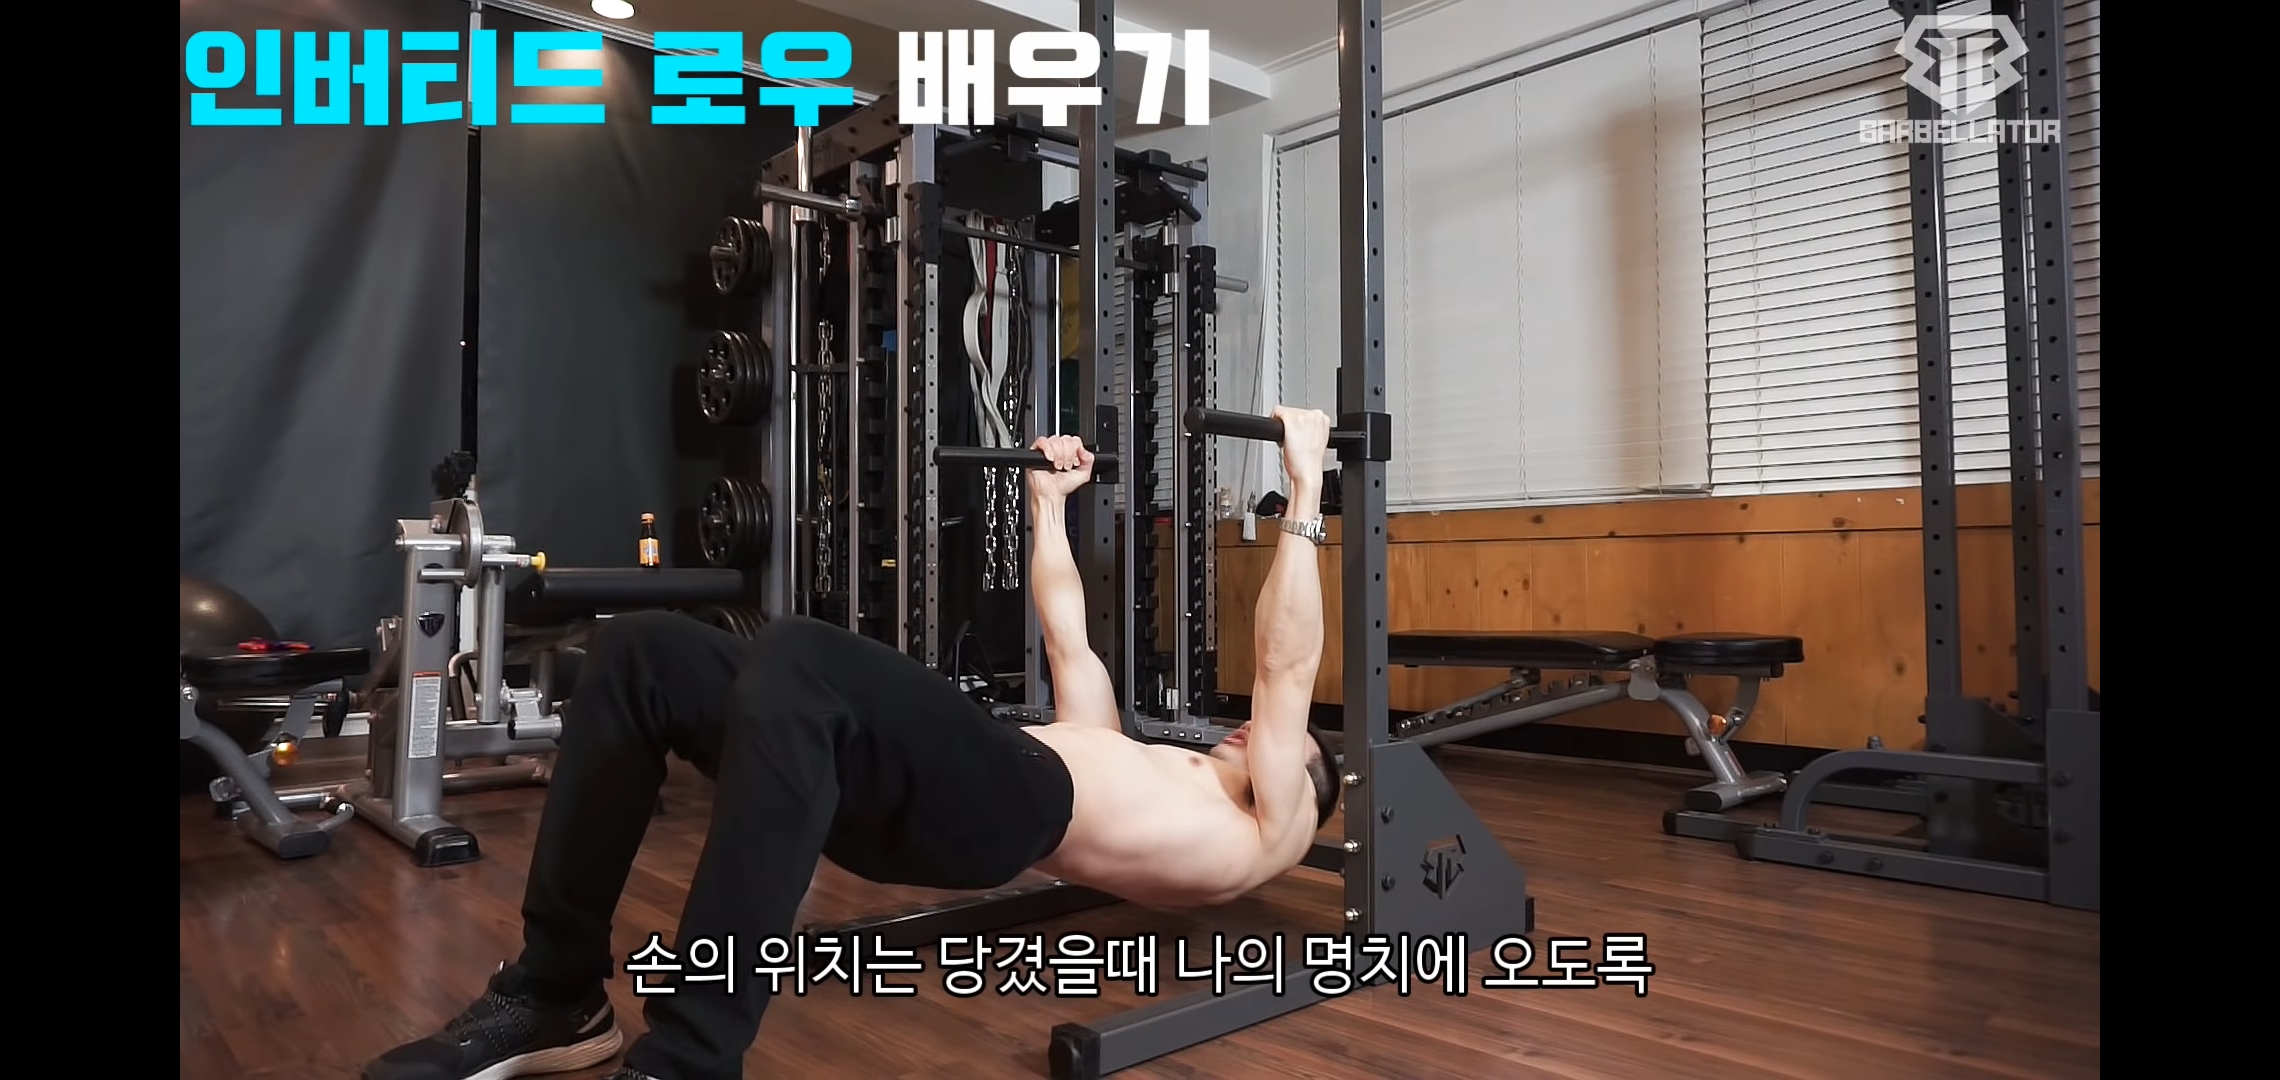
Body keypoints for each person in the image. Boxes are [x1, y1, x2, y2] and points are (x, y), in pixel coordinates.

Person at [365, 408, 1341, 1080]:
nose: (1256, 734)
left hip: (999, 808)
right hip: (941, 780)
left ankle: (693, 1056)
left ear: (1310, 790)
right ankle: (557, 989)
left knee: (800, 652)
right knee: (640, 653)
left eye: (1291, 747)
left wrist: (1304, 489)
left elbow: (1286, 667)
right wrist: (1050, 504)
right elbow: (1068, 633)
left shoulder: (1272, 828)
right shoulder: (1124, 748)